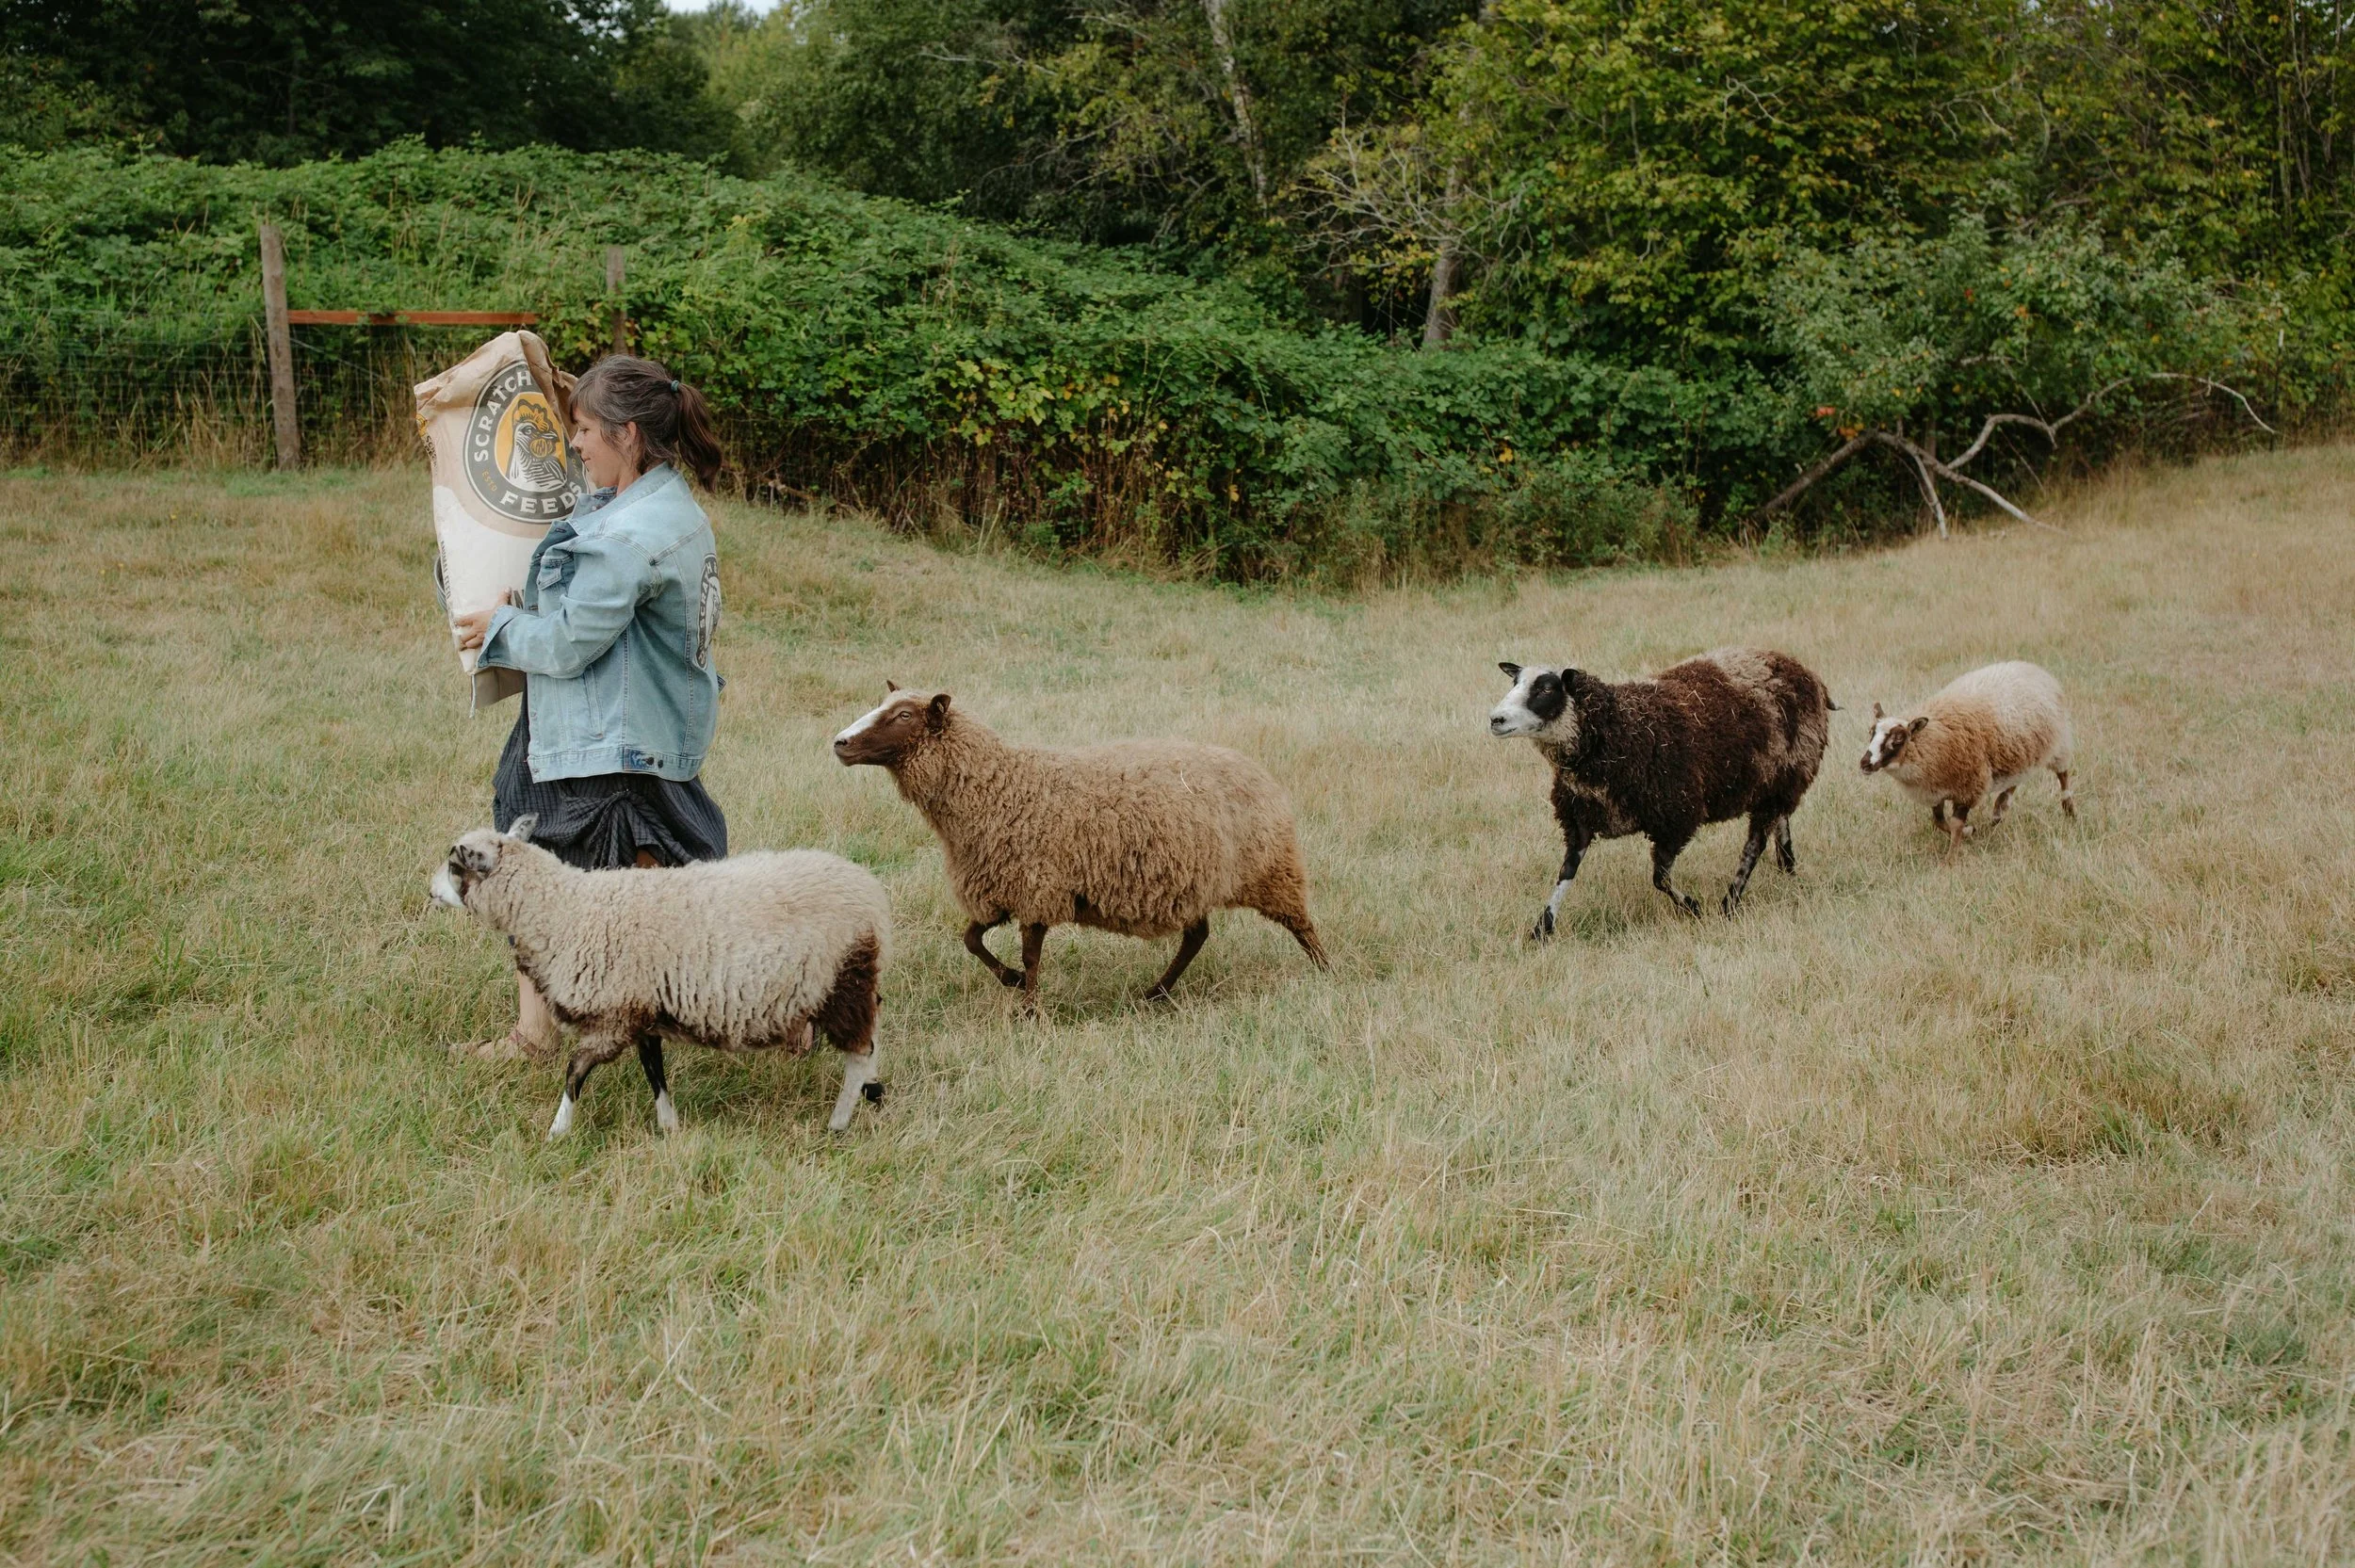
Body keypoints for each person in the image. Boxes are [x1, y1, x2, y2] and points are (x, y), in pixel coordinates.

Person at [449, 356, 730, 1059]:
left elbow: (574, 642)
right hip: (618, 726)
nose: (574, 445)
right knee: (630, 882)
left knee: (546, 879)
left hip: (604, 740)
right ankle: (543, 1028)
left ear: (627, 436)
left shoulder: (627, 537)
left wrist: (503, 630)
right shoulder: (656, 506)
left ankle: (736, 1000)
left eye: (583, 431)